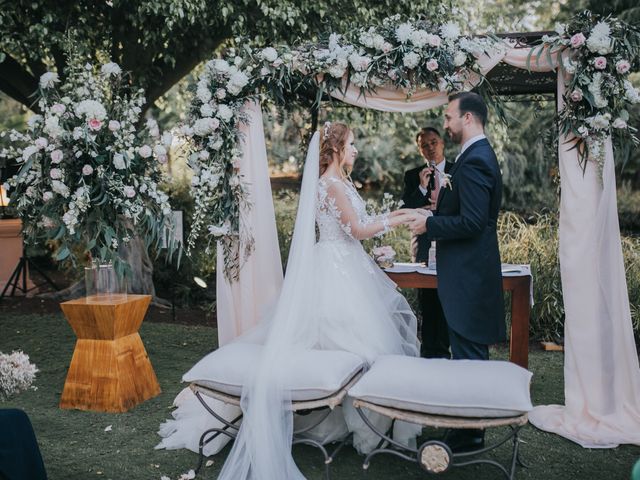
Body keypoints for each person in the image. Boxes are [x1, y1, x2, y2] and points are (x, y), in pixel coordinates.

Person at [158, 122, 420, 479]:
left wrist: (396, 215)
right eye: (352, 144)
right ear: (337, 148)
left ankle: (351, 416)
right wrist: (394, 223)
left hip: (345, 265)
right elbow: (356, 230)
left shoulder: (338, 182)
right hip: (337, 270)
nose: (356, 151)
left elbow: (360, 221)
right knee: (358, 342)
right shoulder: (330, 184)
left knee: (354, 343)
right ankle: (361, 426)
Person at [404, 92, 506, 452]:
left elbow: (474, 221)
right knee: (465, 356)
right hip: (465, 272)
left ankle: (471, 433)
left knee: (469, 358)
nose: (445, 124)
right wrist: (430, 216)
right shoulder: (472, 156)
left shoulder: (476, 160)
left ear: (468, 118)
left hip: (468, 274)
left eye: (449, 117)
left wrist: (429, 225)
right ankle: (466, 426)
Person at [401, 127, 452, 359]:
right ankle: (430, 353)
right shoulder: (412, 175)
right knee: (427, 298)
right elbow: (405, 209)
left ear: (442, 143)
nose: (430, 148)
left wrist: (431, 212)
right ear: (419, 149)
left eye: (433, 142)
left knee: (449, 297)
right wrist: (421, 188)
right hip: (422, 243)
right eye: (425, 145)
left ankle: (447, 350)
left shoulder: (456, 170)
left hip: (450, 242)